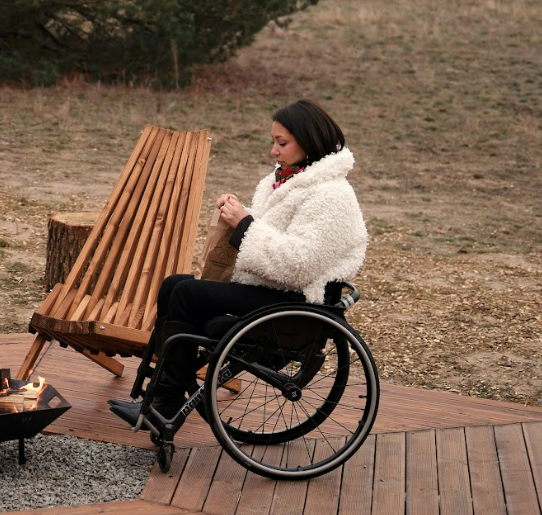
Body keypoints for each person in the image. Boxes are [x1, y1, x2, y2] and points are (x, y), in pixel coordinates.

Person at [110, 99, 368, 427]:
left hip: (298, 303)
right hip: (273, 290)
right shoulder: (291, 181)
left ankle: (165, 402)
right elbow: (276, 236)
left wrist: (246, 224)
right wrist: (239, 215)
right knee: (174, 284)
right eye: (273, 142)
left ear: (309, 140)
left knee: (187, 294)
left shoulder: (331, 195)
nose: (274, 150)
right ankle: (161, 396)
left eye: (282, 143)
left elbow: (299, 265)